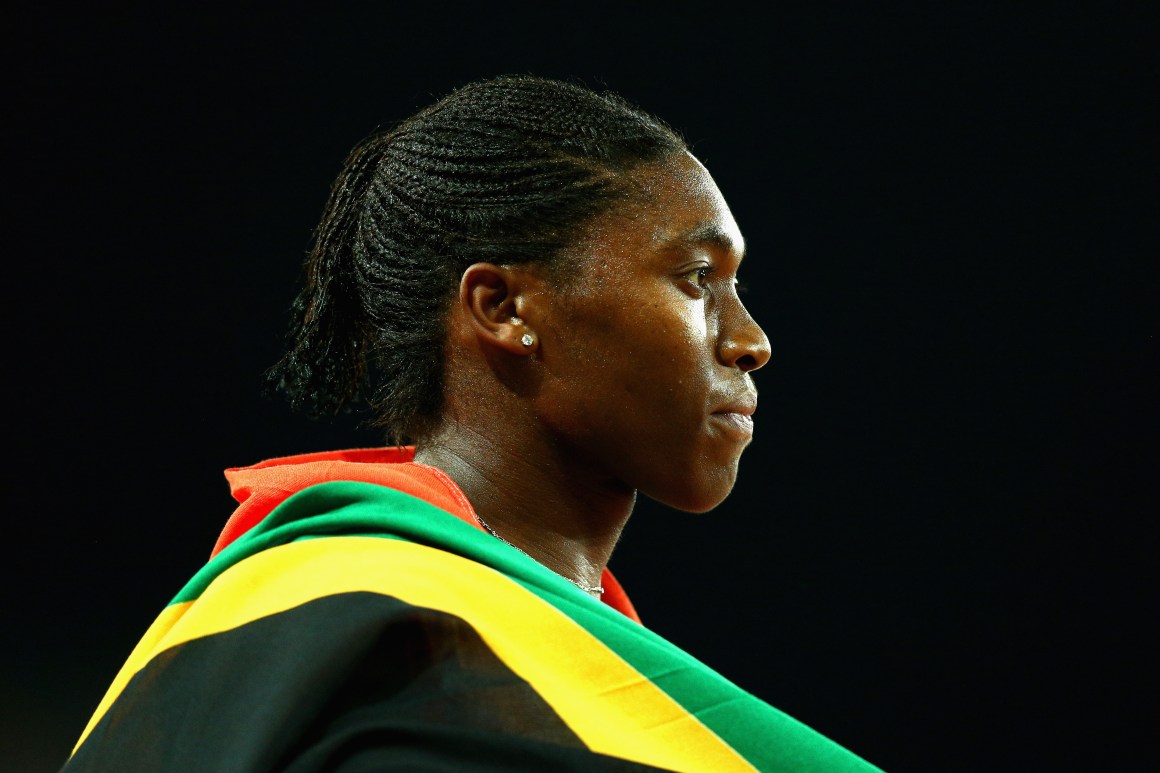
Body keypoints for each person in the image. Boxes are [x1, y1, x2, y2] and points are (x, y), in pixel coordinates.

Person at [62, 75, 882, 772]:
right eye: (698, 278)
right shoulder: (361, 625)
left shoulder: (594, 664)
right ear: (504, 308)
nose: (751, 341)